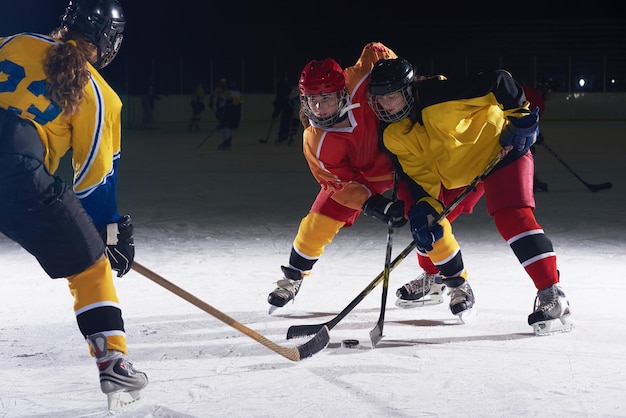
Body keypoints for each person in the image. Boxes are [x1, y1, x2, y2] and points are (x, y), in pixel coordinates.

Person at [0, 0, 148, 408]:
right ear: (109, 42)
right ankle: (113, 361)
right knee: (90, 267)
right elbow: (93, 182)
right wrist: (110, 233)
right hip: (16, 177)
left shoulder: (12, 42)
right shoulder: (98, 93)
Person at [367, 58, 573, 334]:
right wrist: (426, 207)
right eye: (380, 99)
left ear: (407, 90)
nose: (386, 105)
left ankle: (552, 293)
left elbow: (500, 81)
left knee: (512, 216)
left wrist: (520, 116)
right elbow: (423, 180)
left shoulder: (440, 94)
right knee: (430, 225)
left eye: (392, 97)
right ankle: (435, 277)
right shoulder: (393, 134)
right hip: (460, 175)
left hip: (501, 153)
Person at [267, 42, 456, 316]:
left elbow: (376, 49)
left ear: (341, 92)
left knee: (429, 220)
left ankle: (456, 282)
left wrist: (390, 76)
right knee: (317, 223)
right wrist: (375, 205)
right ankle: (293, 278)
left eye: (326, 99)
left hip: (403, 165)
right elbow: (337, 183)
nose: (319, 108)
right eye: (312, 100)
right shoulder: (315, 139)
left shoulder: (360, 80)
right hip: (360, 180)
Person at [523, 80, 552, 192]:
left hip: (508, 126)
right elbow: (530, 121)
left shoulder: (526, 90)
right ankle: (529, 180)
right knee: (527, 152)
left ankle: (529, 179)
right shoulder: (539, 102)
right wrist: (537, 135)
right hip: (519, 130)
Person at [209, 78, 243, 150]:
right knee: (228, 127)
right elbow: (240, 102)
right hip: (236, 112)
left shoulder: (226, 93)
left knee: (226, 127)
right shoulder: (238, 93)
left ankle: (226, 143)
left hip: (230, 112)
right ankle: (227, 142)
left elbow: (224, 103)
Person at [270, 73, 300, 145]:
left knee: (290, 119)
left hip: (293, 105)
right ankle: (289, 136)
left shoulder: (284, 85)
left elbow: (290, 96)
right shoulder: (289, 86)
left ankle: (288, 136)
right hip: (292, 105)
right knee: (292, 119)